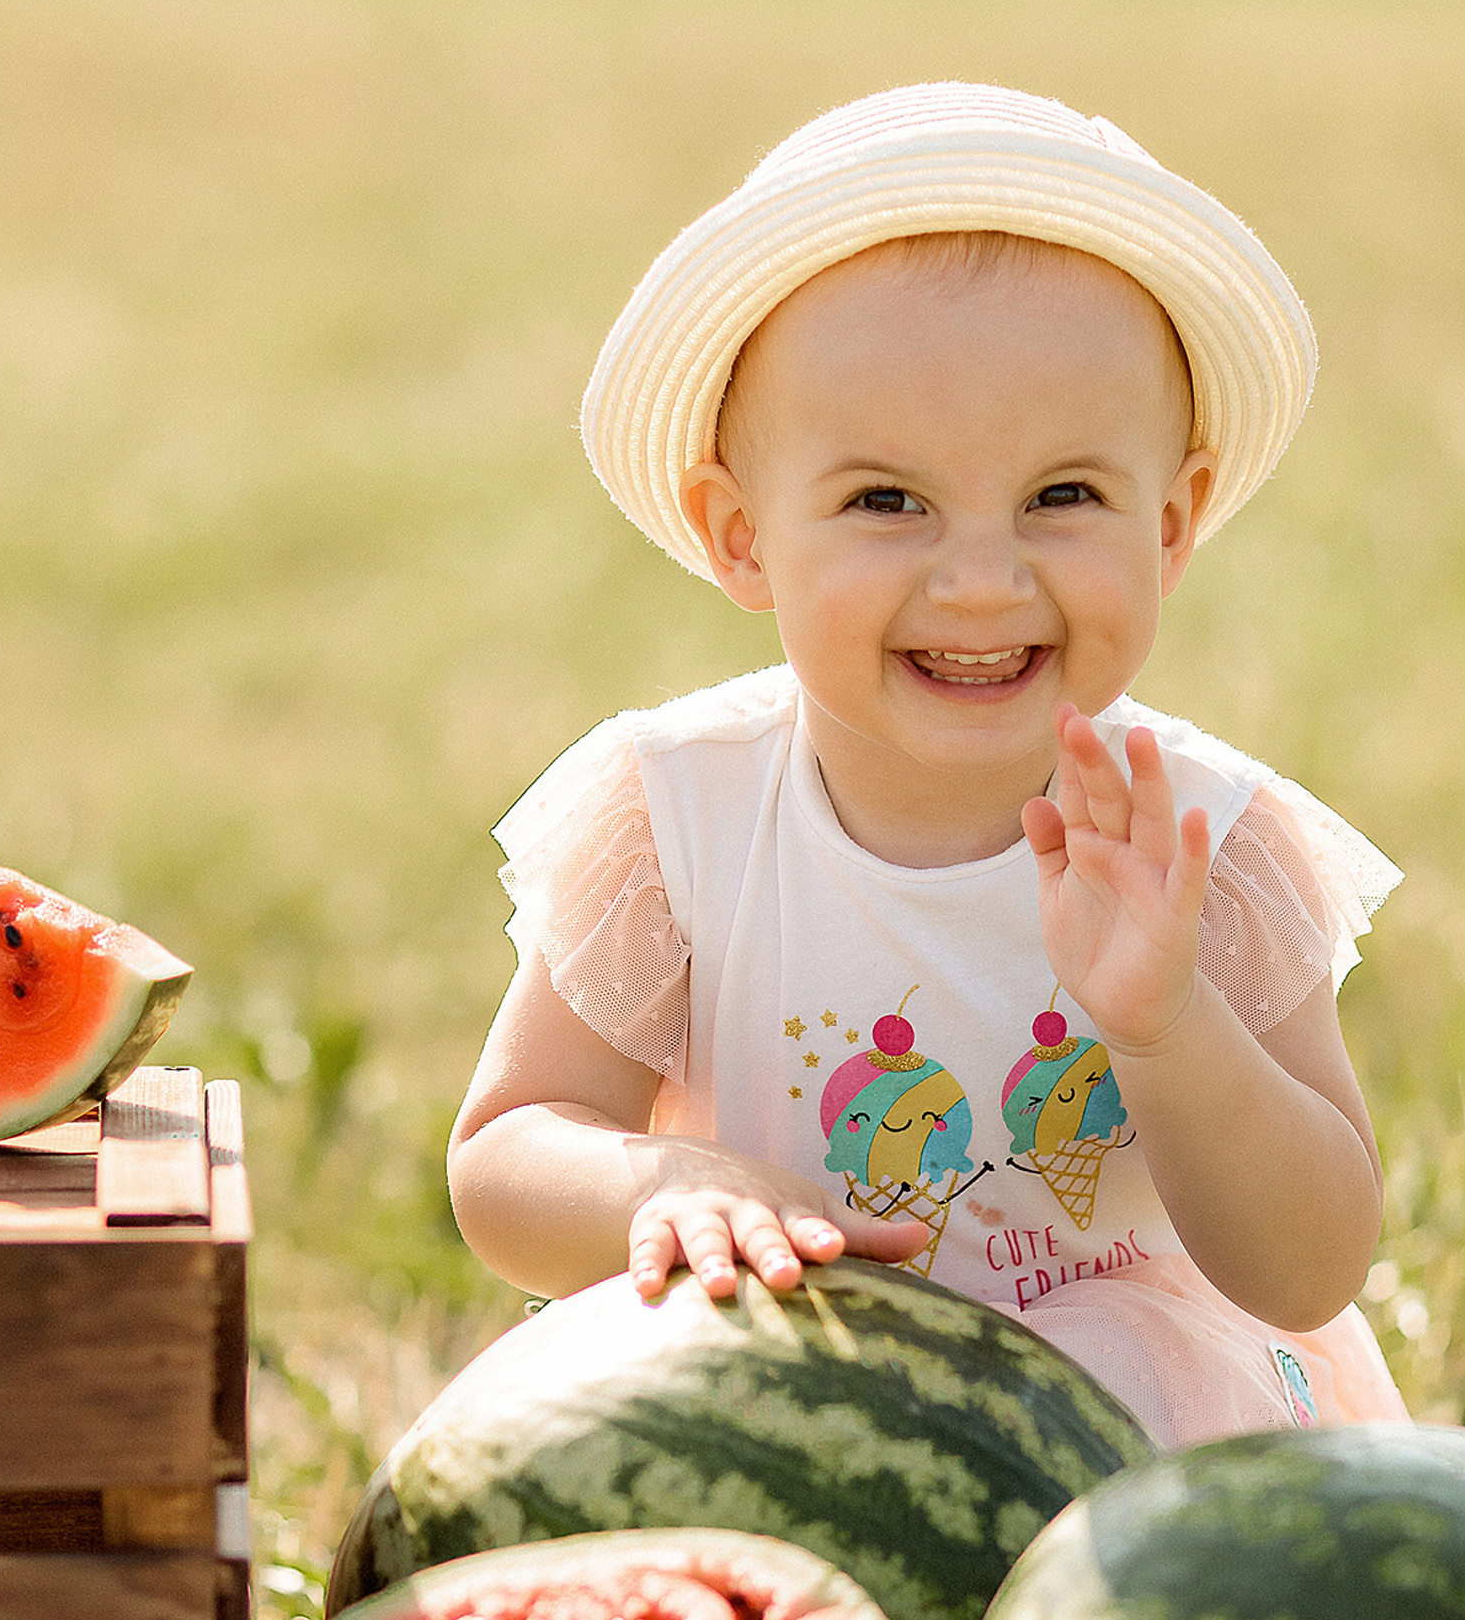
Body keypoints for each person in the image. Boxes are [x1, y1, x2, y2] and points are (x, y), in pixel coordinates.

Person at [446, 83, 1406, 1444]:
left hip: (1144, 1434)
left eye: (1062, 496)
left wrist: (1167, 1025)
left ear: (1173, 521)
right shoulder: (678, 820)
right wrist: (662, 1184)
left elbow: (1312, 1268)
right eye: (887, 501)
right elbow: (505, 1153)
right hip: (795, 1392)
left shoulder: (1204, 843)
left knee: (1111, 1385)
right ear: (740, 535)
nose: (980, 580)